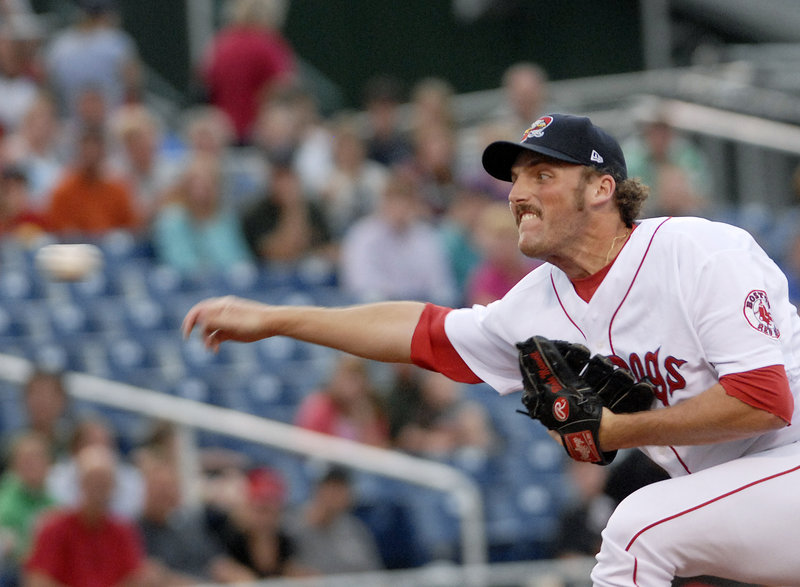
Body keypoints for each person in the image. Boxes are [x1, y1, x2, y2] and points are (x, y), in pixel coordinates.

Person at [182, 112, 800, 586]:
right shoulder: (535, 304)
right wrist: (280, 318)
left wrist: (619, 428)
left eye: (543, 175)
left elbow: (764, 401)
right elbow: (419, 333)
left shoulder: (697, 252)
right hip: (742, 503)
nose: (517, 193)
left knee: (636, 532)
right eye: (514, 178)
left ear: (601, 189)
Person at [23, 444, 147, 587]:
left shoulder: (123, 531)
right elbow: (37, 580)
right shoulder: (53, 528)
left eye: (104, 482)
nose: (98, 488)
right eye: (93, 481)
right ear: (80, 482)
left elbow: (135, 578)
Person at [200, 0, 296, 145]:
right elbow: (284, 88)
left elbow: (205, 80)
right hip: (257, 134)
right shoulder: (269, 46)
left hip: (223, 131)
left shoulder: (221, 44)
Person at [152, 152, 254, 276]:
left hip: (225, 288)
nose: (200, 191)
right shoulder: (170, 221)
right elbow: (180, 263)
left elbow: (238, 260)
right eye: (194, 184)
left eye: (207, 184)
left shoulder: (227, 219)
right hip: (187, 291)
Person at [44, 124, 140, 237]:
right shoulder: (63, 190)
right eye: (86, 147)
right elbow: (57, 230)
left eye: (95, 147)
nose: (91, 153)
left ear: (104, 151)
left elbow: (132, 228)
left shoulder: (118, 189)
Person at [285, 466, 384, 575]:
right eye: (331, 487)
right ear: (318, 489)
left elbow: (374, 573)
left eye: (341, 488)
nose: (335, 494)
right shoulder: (290, 524)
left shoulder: (355, 529)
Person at [294, 354, 390, 447]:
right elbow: (307, 445)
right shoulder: (319, 406)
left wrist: (364, 418)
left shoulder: (370, 409)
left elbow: (377, 449)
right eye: (347, 377)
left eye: (356, 378)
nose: (350, 385)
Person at [0, 431, 56, 584]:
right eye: (26, 460)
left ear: (49, 463)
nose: (32, 465)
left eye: (38, 459)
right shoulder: (4, 497)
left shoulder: (57, 505)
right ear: (14, 466)